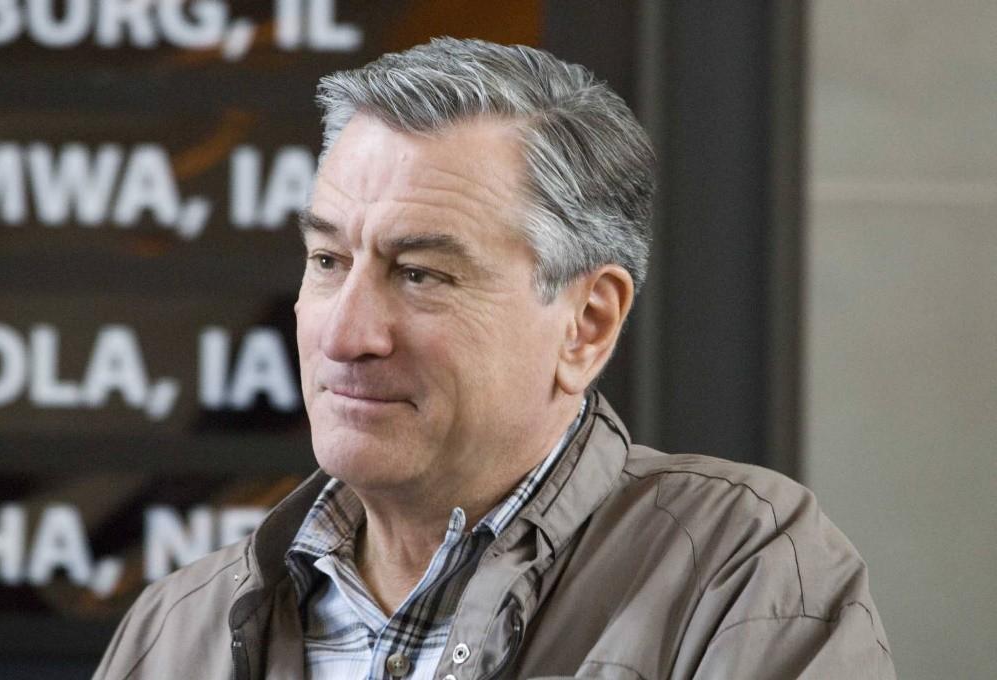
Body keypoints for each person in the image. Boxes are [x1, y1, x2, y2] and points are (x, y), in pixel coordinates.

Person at [95, 38, 895, 680]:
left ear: (586, 324)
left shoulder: (738, 571)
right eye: (328, 261)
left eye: (420, 274)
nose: (345, 335)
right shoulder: (176, 627)